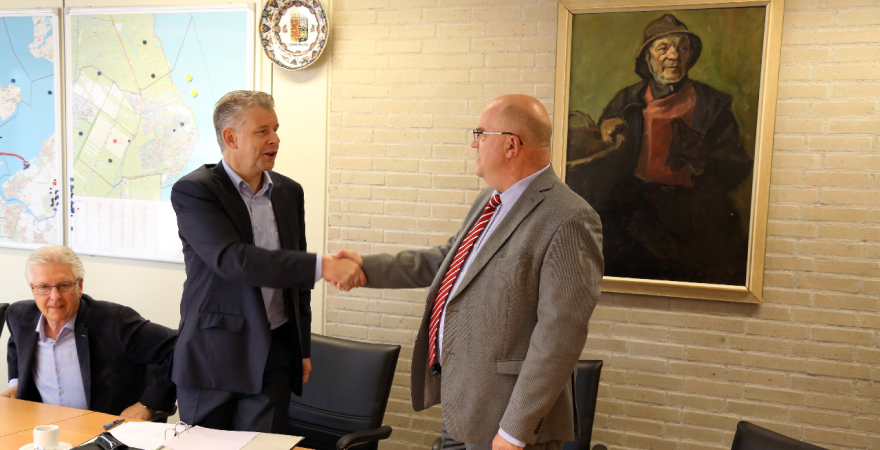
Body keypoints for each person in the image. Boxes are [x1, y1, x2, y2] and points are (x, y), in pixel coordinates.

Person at [335, 94, 604, 450]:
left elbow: (559, 338)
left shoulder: (569, 218)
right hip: (462, 409)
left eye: (480, 133)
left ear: (511, 145)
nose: (474, 143)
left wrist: (515, 431)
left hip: (506, 425)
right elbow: (447, 261)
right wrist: (366, 268)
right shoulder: (490, 200)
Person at [169, 90, 364, 433]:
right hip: (213, 354)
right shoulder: (196, 191)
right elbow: (233, 260)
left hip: (275, 352)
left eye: (275, 129)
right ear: (231, 138)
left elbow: (296, 282)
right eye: (262, 131)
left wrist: (301, 348)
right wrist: (325, 265)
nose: (275, 139)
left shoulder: (290, 192)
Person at [565, 14, 753, 285]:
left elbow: (737, 167)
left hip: (695, 214)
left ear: (689, 56)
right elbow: (601, 158)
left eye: (682, 48)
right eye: (663, 48)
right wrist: (606, 129)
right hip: (636, 211)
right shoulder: (626, 101)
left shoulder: (713, 105)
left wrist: (702, 158)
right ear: (648, 57)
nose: (674, 56)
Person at [2, 245, 176, 420]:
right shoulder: (18, 315)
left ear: (80, 285)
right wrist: (16, 384)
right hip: (43, 426)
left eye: (64, 285)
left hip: (105, 429)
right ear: (33, 289)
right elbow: (16, 345)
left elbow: (177, 347)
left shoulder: (116, 321)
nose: (55, 297)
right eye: (43, 287)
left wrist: (147, 405)